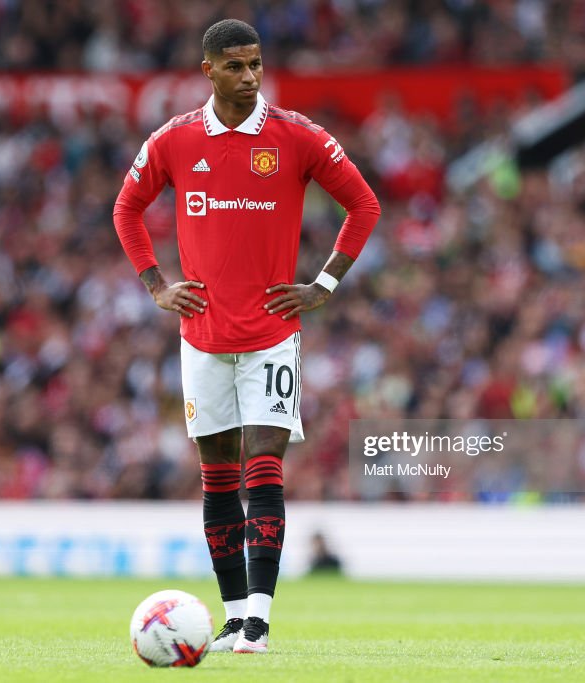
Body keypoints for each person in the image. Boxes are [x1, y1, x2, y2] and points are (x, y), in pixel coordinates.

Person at [113, 18, 380, 654]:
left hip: (270, 333)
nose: (248, 75)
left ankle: (258, 618)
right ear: (208, 70)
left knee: (264, 466)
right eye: (234, 65)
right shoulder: (175, 140)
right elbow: (126, 208)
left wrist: (323, 286)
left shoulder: (298, 136)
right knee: (216, 477)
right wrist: (155, 285)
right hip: (201, 334)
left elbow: (364, 205)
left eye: (255, 63)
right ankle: (231, 613)